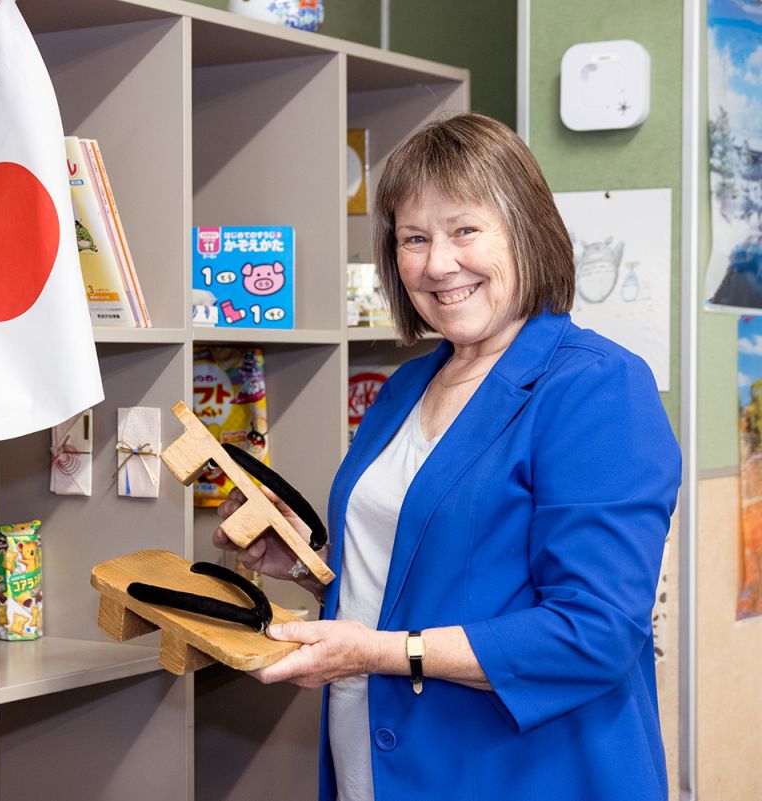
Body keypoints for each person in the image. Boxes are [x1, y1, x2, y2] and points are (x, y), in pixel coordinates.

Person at [213, 113, 680, 801]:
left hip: (525, 774)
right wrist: (315, 567)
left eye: (465, 230)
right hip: (375, 767)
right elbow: (435, 567)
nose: (438, 263)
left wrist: (380, 651)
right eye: (413, 238)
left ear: (527, 229)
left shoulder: (596, 387)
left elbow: (595, 630)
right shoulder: (406, 387)